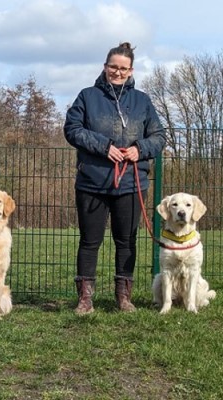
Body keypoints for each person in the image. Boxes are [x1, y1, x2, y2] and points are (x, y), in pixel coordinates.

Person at [64, 42, 165, 314]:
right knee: (89, 241)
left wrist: (139, 149)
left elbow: (158, 137)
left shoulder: (142, 101)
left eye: (123, 68)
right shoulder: (87, 96)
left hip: (132, 183)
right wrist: (104, 146)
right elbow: (72, 129)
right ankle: (85, 298)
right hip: (92, 182)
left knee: (126, 241)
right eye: (113, 67)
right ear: (105, 67)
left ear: (131, 70)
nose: (117, 73)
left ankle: (123, 297)